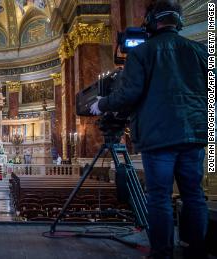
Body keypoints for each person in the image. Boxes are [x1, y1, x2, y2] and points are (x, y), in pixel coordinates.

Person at [90, 1, 208, 258]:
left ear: (152, 22)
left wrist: (103, 104)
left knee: (159, 197)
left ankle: (162, 252)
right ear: (179, 22)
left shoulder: (142, 52)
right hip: (195, 134)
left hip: (158, 136)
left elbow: (129, 95)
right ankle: (197, 250)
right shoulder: (200, 51)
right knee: (194, 195)